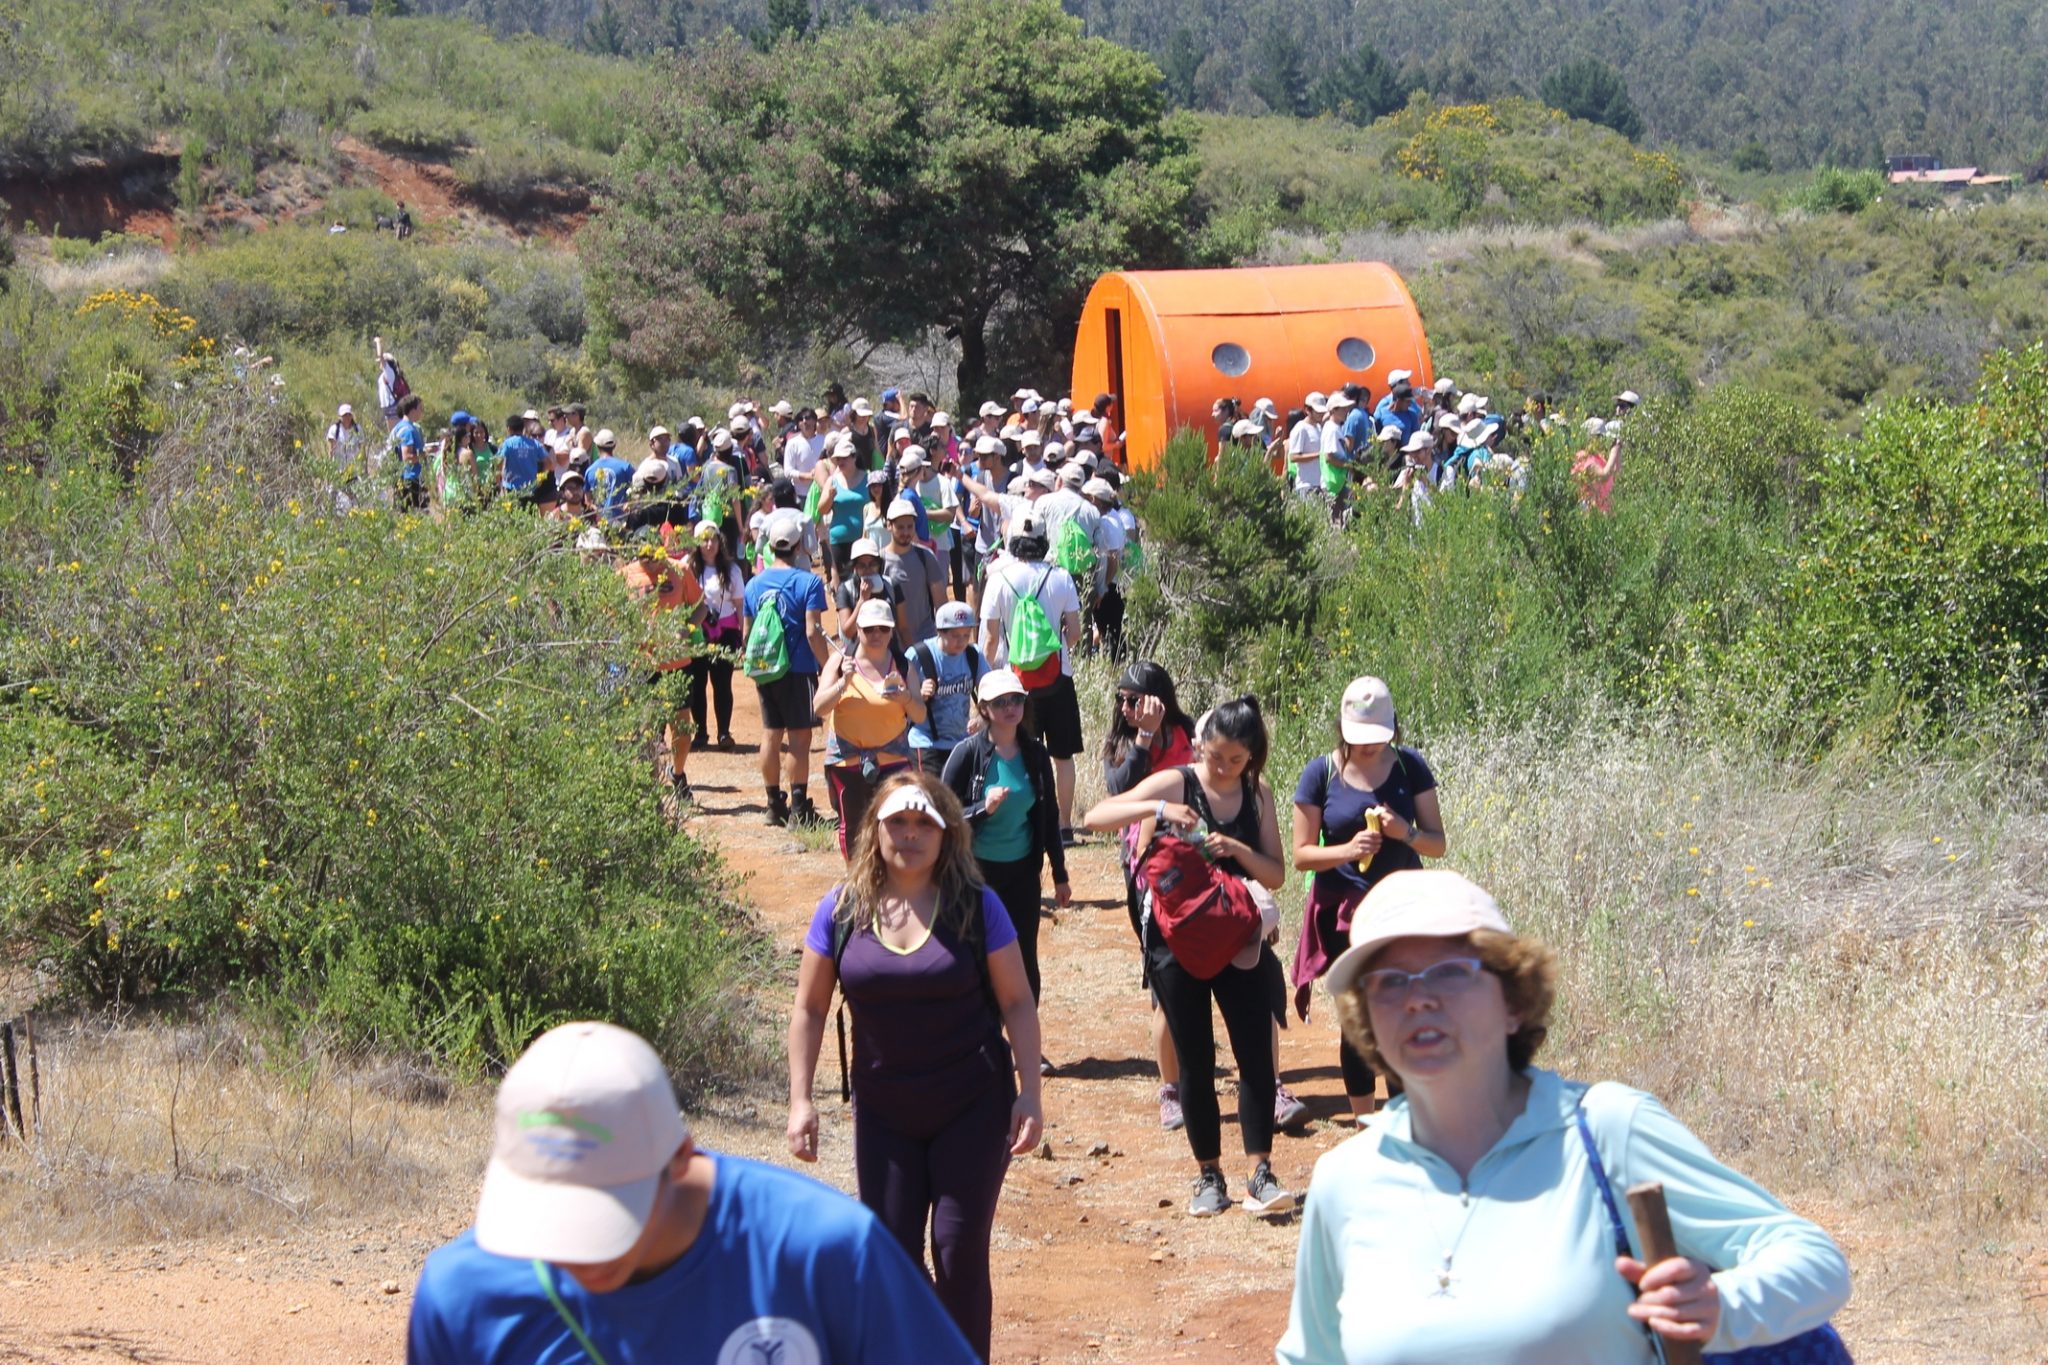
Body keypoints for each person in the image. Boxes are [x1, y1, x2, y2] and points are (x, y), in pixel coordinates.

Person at [1276, 869, 1852, 1363]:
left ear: (1513, 1001)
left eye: (1450, 971)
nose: (1417, 998)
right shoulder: (1345, 1180)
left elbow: (1813, 1260)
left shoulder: (1605, 1131)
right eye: (1389, 981)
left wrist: (1719, 1307)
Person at [407, 1020, 977, 1364]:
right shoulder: (463, 1296)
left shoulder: (824, 1254)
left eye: (602, 1214)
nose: (577, 1252)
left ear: (680, 1158)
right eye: (550, 1213)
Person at [786, 774, 1044, 1361]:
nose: (909, 834)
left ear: (946, 832)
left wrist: (1030, 1092)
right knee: (892, 1256)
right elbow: (810, 1008)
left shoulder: (976, 904)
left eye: (924, 823)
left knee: (957, 1252)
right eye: (897, 822)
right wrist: (801, 1099)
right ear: (874, 830)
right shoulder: (842, 909)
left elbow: (1016, 1002)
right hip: (885, 1112)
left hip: (972, 1105)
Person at [1080, 698, 1296, 1218]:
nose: (1222, 768)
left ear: (1252, 757)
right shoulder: (1176, 782)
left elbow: (1275, 874)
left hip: (1239, 939)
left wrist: (1237, 850)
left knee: (1254, 1056)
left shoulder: (1257, 794)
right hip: (1175, 940)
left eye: (1235, 760)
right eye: (1215, 756)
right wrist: (1159, 811)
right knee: (1194, 1058)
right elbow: (1095, 817)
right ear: (1201, 745)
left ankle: (1261, 1173)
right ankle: (1209, 1175)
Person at [1290, 674, 1445, 1120]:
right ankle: (1364, 1126)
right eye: (1360, 738)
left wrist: (1405, 832)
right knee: (1358, 1021)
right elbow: (1301, 855)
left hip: (1402, 909)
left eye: (1378, 737)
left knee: (1402, 1014)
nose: (1370, 746)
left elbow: (1437, 843)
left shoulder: (1410, 767)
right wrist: (1349, 850)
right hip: (1345, 913)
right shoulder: (1320, 773)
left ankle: (1402, 1123)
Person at [940, 668, 1070, 1055]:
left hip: (1023, 873)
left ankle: (1023, 1045)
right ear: (984, 708)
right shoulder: (967, 754)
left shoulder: (1036, 754)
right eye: (1001, 702)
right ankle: (983, 1041)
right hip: (977, 874)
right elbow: (943, 815)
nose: (1011, 707)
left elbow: (1049, 817)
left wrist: (1060, 874)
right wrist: (982, 808)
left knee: (1024, 958)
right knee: (979, 957)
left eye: (1016, 700)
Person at [1098, 661, 1195, 1129]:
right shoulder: (1121, 741)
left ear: (1158, 698)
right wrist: (1142, 737)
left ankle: (1183, 1066)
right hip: (1141, 866)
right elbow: (1119, 791)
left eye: (1133, 699)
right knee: (1159, 964)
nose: (1125, 706)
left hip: (1191, 859)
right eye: (1121, 699)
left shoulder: (1187, 732)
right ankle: (1170, 1082)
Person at [979, 512, 1085, 845]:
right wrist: (1054, 649)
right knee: (1063, 756)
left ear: (1012, 542)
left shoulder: (999, 579)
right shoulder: (1061, 577)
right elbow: (1076, 632)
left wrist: (989, 678)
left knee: (1020, 753)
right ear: (1044, 540)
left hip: (1014, 682)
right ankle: (1064, 826)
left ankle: (1029, 822)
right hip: (1058, 676)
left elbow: (990, 640)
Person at [744, 509, 833, 829]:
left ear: (770, 547)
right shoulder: (809, 582)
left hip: (766, 667)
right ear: (798, 548)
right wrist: (827, 666)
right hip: (798, 669)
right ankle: (798, 808)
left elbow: (747, 634)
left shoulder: (754, 584)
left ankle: (773, 804)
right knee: (798, 738)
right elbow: (812, 632)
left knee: (771, 733)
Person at [813, 598, 923, 856]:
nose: (876, 634)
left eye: (883, 628)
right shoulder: (839, 662)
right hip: (848, 762)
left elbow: (919, 715)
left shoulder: (903, 665)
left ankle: (889, 875)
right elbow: (819, 707)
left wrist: (906, 698)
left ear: (891, 631)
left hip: (894, 761)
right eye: (869, 629)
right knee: (853, 827)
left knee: (894, 826)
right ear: (858, 630)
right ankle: (856, 877)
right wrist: (843, 683)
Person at [618, 542, 707, 807]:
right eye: (645, 558)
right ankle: (651, 792)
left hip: (677, 663)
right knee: (647, 732)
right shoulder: (624, 576)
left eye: (655, 556)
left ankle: (677, 773)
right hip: (642, 667)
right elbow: (611, 617)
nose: (651, 563)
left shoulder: (679, 570)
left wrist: (688, 627)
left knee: (682, 730)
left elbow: (701, 607)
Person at [907, 600, 986, 777]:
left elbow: (989, 690)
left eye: (966, 635)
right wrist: (918, 694)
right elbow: (899, 696)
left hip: (961, 742)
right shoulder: (919, 655)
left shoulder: (974, 655)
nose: (961, 641)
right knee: (931, 792)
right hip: (926, 743)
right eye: (955, 635)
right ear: (940, 631)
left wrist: (982, 718)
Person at [686, 520, 746, 751]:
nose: (709, 545)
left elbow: (740, 606)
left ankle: (723, 733)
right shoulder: (687, 567)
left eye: (713, 539)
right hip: (696, 633)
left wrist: (743, 639)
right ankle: (700, 733)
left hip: (725, 633)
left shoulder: (732, 570)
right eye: (704, 540)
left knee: (722, 684)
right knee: (697, 684)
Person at [882, 496, 947, 647]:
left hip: (925, 639)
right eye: (900, 527)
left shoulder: (926, 556)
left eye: (909, 526)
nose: (906, 532)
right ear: (889, 525)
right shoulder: (879, 560)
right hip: (892, 643)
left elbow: (941, 603)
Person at [391, 394, 428, 512]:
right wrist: (426, 453)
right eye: (420, 408)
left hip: (404, 479)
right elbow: (407, 457)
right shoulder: (407, 430)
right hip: (410, 480)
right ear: (413, 410)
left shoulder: (400, 427)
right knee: (415, 515)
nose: (422, 411)